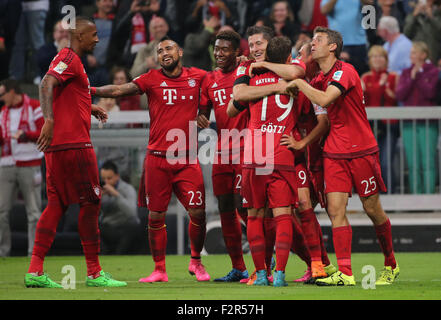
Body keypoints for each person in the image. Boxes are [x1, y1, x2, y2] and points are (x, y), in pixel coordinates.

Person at [286, 27, 399, 286]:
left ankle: (390, 263)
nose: (313, 44)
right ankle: (346, 274)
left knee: (372, 209)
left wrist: (299, 84)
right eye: (312, 40)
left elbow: (326, 99)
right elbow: (321, 114)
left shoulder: (345, 72)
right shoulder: (317, 81)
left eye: (319, 40)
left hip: (361, 150)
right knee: (335, 211)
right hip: (334, 153)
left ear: (333, 47)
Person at [92, 36, 210, 283]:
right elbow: (117, 90)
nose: (164, 52)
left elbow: (216, 88)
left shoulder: (198, 76)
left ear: (180, 51)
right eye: (159, 50)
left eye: (168, 48)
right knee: (155, 216)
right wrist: (88, 90)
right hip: (157, 159)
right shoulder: (151, 78)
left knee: (198, 212)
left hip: (187, 159)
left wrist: (204, 112)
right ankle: (159, 270)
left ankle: (196, 261)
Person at [24, 16, 127, 288]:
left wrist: (87, 105)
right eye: (93, 35)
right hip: (75, 146)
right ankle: (94, 273)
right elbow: (46, 84)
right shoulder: (69, 58)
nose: (97, 39)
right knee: (91, 203)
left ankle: (35, 270)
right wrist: (49, 119)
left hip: (57, 148)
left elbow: (68, 88)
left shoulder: (67, 60)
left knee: (56, 204)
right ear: (80, 36)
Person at [229, 25, 306, 285]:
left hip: (257, 152)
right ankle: (276, 273)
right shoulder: (282, 71)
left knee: (256, 215)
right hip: (276, 151)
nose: (255, 49)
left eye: (259, 43)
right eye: (251, 45)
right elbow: (235, 100)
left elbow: (238, 98)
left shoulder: (252, 70)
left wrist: (264, 71)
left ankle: (265, 273)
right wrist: (279, 88)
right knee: (281, 214)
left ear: (270, 43)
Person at [280, 42, 336, 283]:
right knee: (296, 210)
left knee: (311, 209)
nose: (299, 59)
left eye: (302, 54)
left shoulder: (315, 86)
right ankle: (319, 263)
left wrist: (303, 143)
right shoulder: (293, 82)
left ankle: (325, 265)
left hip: (316, 158)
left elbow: (323, 123)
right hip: (300, 158)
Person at [197, 30, 249, 282]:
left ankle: (266, 258)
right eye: (216, 48)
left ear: (237, 52)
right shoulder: (209, 79)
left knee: (245, 206)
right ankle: (238, 267)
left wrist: (248, 62)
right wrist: (200, 117)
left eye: (225, 49)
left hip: (248, 148)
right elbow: (203, 112)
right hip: (223, 150)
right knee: (225, 207)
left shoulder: (247, 71)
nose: (218, 53)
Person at [0, 79, 43, 257]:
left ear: (12, 92)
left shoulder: (34, 106)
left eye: (2, 93)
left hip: (30, 163)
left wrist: (26, 135)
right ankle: (3, 252)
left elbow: (45, 132)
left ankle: (34, 253)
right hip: (6, 164)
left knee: (34, 212)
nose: (1, 98)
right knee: (1, 211)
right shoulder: (2, 112)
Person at [396, 41, 439, 194]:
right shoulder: (406, 72)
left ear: (423, 55)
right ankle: (416, 195)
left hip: (428, 122)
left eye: (414, 52)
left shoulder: (433, 72)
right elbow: (400, 94)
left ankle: (428, 196)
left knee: (427, 161)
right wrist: (412, 78)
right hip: (409, 122)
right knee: (413, 162)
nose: (411, 55)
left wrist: (419, 76)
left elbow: (430, 93)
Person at [361, 45, 400, 193]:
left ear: (386, 60)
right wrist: (366, 88)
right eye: (373, 57)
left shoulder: (393, 76)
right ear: (370, 60)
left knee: (386, 161)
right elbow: (363, 101)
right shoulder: (365, 77)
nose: (377, 59)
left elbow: (396, 99)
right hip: (370, 126)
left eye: (380, 56)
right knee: (371, 162)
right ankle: (375, 197)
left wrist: (384, 88)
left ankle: (390, 194)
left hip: (389, 124)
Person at [320, 0, 374, 74]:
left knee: (359, 75)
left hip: (358, 42)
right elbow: (324, 10)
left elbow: (370, 3)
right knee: (337, 77)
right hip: (337, 43)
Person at [99, 160, 140, 254]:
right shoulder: (101, 191)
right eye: (103, 179)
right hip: (107, 227)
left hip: (123, 227)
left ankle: (119, 255)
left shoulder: (128, 189)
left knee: (133, 225)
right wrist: (99, 198)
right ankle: (103, 257)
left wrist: (116, 194)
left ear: (117, 176)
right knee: (90, 227)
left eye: (109, 178)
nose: (106, 182)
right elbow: (95, 214)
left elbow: (132, 213)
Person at [8, 0, 49, 83]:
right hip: (20, 7)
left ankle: (41, 74)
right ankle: (16, 75)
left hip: (38, 6)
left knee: (37, 43)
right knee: (18, 44)